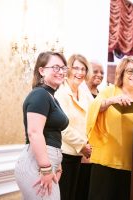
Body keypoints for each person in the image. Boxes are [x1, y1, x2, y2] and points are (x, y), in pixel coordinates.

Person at [87, 56, 133, 200]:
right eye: (130, 71)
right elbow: (95, 108)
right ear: (121, 73)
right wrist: (111, 101)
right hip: (106, 160)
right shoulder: (110, 91)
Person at [15, 51, 69, 199]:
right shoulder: (40, 95)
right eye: (56, 67)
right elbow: (34, 133)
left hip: (44, 161)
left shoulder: (51, 97)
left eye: (63, 68)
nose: (61, 72)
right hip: (35, 164)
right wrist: (46, 167)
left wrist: (57, 163)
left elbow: (51, 133)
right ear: (42, 70)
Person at [54, 54, 93, 200]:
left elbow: (94, 112)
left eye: (83, 69)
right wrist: (82, 145)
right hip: (63, 154)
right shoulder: (60, 92)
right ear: (68, 69)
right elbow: (61, 126)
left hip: (79, 155)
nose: (80, 72)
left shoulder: (84, 91)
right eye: (76, 68)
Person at [75, 61, 104, 200]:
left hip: (98, 152)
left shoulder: (103, 95)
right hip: (81, 149)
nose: (99, 75)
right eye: (96, 71)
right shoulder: (79, 92)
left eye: (102, 72)